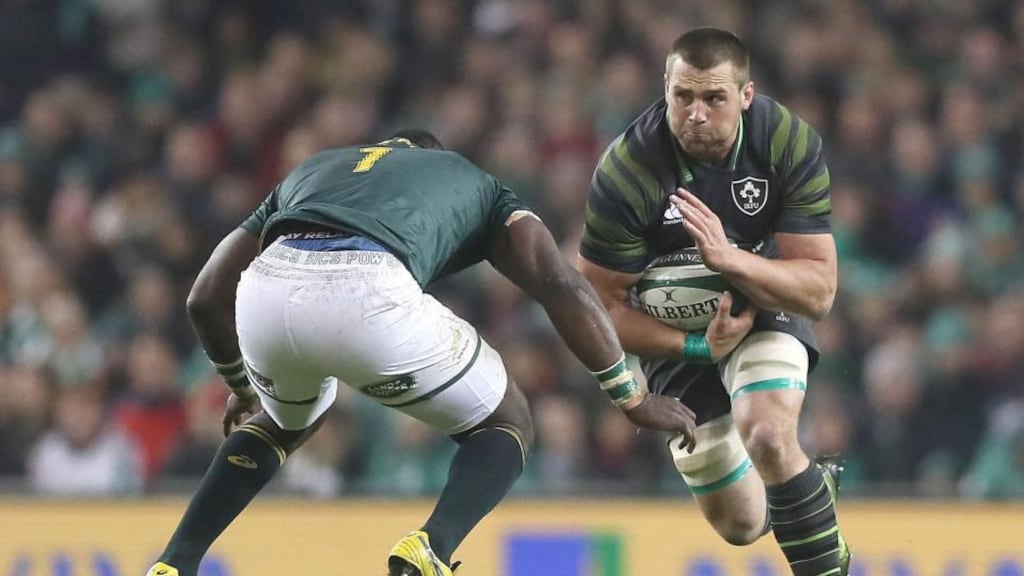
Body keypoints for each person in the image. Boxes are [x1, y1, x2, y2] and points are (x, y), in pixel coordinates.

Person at [145, 129, 750, 576]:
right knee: (508, 418)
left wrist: (241, 381)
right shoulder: (477, 184)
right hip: (367, 284)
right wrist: (632, 396)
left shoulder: (314, 169)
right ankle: (430, 549)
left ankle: (174, 562)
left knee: (283, 420)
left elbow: (204, 297)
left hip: (267, 289)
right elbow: (560, 284)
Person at [577, 28, 850, 575]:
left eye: (714, 98)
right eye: (683, 97)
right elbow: (598, 310)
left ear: (746, 96)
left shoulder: (785, 142)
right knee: (741, 525)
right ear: (666, 89)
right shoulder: (627, 170)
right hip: (674, 333)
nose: (696, 114)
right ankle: (809, 487)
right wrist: (696, 346)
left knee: (769, 434)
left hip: (760, 303)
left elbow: (819, 292)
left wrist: (732, 261)